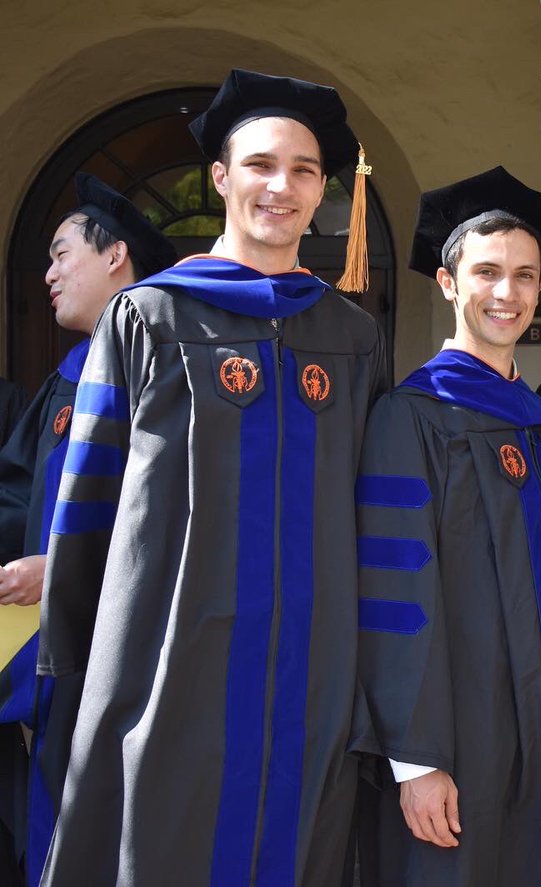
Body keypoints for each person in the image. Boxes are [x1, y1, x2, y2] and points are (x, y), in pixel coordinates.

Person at [38, 69, 388, 886]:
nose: (282, 186)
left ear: (323, 188)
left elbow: (374, 516)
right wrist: (82, 663)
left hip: (314, 674)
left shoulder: (349, 336)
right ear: (222, 179)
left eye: (304, 170)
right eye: (261, 165)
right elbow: (86, 499)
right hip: (166, 660)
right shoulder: (150, 316)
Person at [353, 166, 541, 886]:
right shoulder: (412, 417)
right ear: (448, 283)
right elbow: (389, 595)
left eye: (526, 276)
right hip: (458, 730)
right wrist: (416, 757)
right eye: (487, 271)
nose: (508, 293)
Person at [0, 172, 175, 885]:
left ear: (115, 256)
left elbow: (172, 516)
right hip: (51, 648)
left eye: (60, 252)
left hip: (126, 651)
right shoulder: (64, 382)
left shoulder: (162, 373)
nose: (48, 273)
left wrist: (66, 570)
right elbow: (16, 493)